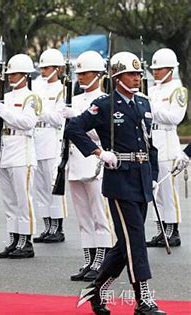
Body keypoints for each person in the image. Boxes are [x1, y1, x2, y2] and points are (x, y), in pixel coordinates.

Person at [67, 52, 165, 315]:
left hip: (142, 179)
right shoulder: (105, 104)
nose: (136, 79)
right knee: (136, 241)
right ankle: (143, 299)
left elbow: (150, 145)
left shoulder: (143, 104)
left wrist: (153, 176)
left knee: (126, 243)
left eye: (137, 74)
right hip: (120, 179)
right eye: (131, 75)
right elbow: (74, 128)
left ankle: (97, 291)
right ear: (117, 77)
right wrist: (99, 152)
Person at [60, 51, 113, 282]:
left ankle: (102, 260)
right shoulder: (75, 98)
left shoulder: (103, 100)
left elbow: (102, 133)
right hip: (75, 161)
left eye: (85, 73)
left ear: (98, 74)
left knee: (99, 214)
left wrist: (76, 118)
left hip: (95, 160)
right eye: (79, 73)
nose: (80, 77)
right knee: (82, 216)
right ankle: (89, 260)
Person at [0, 54, 39, 259]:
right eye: (10, 74)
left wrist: (4, 111)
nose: (11, 77)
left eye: (15, 74)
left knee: (23, 199)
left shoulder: (31, 97)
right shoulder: (7, 97)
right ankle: (13, 238)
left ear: (25, 75)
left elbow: (27, 123)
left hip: (22, 150)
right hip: (6, 149)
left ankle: (25, 240)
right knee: (9, 200)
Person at [147, 48, 187, 248]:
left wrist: (153, 109)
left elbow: (175, 117)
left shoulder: (177, 90)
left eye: (160, 69)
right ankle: (161, 229)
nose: (155, 72)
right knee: (155, 189)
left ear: (170, 69)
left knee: (168, 191)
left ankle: (173, 230)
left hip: (167, 141)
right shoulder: (152, 89)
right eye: (154, 69)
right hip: (152, 141)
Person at [33, 48, 67, 244]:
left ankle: (57, 226)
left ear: (57, 69)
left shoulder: (62, 89)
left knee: (53, 185)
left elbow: (57, 118)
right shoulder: (37, 87)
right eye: (42, 67)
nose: (43, 71)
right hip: (36, 138)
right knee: (40, 188)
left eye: (47, 68)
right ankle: (47, 225)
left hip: (52, 140)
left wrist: (40, 111)